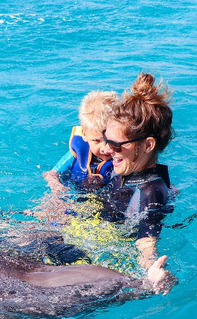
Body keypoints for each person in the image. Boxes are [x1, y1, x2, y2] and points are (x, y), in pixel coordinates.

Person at [100, 72, 175, 276]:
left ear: (148, 145)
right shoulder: (125, 167)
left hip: (105, 249)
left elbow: (146, 239)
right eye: (106, 139)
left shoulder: (152, 192)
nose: (106, 150)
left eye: (116, 145)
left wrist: (152, 270)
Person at [50, 89, 119, 187]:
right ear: (84, 134)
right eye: (96, 141)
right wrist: (56, 186)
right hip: (74, 189)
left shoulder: (122, 158)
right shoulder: (78, 150)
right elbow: (51, 174)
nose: (105, 148)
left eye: (110, 140)